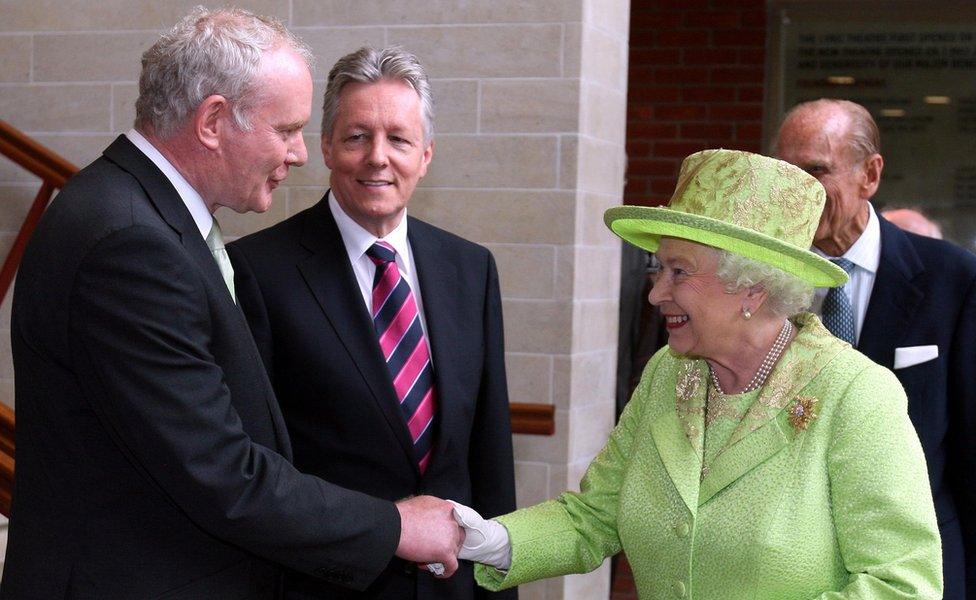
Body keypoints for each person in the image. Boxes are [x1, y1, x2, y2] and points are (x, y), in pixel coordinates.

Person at [1, 11, 461, 600]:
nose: (299, 154)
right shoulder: (131, 242)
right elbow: (222, 474)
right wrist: (397, 525)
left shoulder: (141, 214)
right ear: (214, 121)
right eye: (287, 129)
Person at [451, 149, 943, 599]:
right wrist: (487, 540)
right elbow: (595, 516)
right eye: (657, 268)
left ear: (751, 288)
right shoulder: (669, 374)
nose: (655, 293)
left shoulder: (854, 394)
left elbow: (904, 584)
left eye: (678, 272)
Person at [227, 46, 517, 600]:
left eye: (399, 139)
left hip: (450, 586)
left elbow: (490, 455)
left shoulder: (471, 268)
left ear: (426, 155)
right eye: (357, 136)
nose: (377, 157)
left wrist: (499, 583)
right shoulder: (257, 272)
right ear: (327, 148)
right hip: (323, 586)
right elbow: (256, 464)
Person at [775, 99, 976, 600]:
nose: (796, 189)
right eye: (785, 171)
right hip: (787, 564)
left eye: (815, 171)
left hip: (918, 564)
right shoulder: (756, 279)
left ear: (870, 175)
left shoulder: (953, 279)